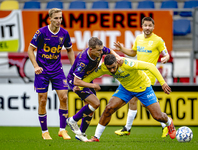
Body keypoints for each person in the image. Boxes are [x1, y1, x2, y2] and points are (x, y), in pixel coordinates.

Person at [76, 54, 176, 142]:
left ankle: (168, 121)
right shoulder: (104, 68)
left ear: (117, 62)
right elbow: (89, 77)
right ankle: (96, 137)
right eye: (109, 68)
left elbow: (150, 66)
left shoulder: (127, 63)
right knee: (109, 108)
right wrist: (77, 86)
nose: (112, 70)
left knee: (157, 116)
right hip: (126, 88)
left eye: (113, 67)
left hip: (143, 88)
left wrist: (163, 83)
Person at [114, 17, 170, 138]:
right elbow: (134, 53)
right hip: (138, 74)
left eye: (150, 26)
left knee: (138, 101)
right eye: (145, 25)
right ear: (142, 26)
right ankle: (128, 128)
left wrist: (165, 58)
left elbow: (166, 54)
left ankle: (165, 124)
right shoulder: (139, 38)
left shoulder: (158, 40)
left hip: (149, 76)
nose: (147, 28)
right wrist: (122, 49)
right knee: (137, 101)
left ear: (153, 27)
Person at [28, 8, 75, 140]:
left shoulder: (64, 33)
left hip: (57, 70)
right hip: (42, 70)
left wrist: (74, 67)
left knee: (64, 98)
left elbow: (70, 50)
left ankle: (62, 130)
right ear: (50, 19)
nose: (59, 21)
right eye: (56, 18)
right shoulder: (41, 32)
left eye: (60, 18)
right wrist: (36, 66)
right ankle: (45, 131)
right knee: (42, 100)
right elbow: (30, 49)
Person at [66, 37, 120, 142]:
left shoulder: (99, 50)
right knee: (95, 103)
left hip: (86, 79)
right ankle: (72, 120)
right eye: (99, 50)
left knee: (91, 109)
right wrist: (93, 86)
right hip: (76, 82)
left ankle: (80, 134)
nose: (101, 52)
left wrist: (117, 57)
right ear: (91, 49)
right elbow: (76, 81)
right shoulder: (84, 61)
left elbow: (109, 50)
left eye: (101, 49)